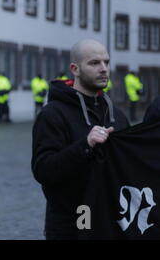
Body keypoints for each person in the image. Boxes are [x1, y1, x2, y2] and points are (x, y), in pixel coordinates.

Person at [32, 39, 129, 240]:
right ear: (75, 69)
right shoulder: (52, 114)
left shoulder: (117, 115)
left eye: (106, 62)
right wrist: (86, 145)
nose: (103, 69)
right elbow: (43, 170)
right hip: (71, 225)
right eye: (94, 63)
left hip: (112, 221)